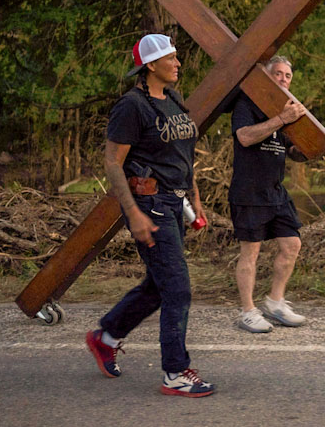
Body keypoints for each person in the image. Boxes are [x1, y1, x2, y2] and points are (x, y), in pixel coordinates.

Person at [85, 33, 215, 397]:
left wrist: (194, 195)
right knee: (178, 289)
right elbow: (113, 163)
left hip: (175, 202)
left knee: (159, 286)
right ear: (151, 65)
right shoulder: (132, 106)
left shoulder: (172, 98)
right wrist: (133, 213)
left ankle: (106, 337)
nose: (177, 63)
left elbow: (182, 153)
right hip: (149, 206)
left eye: (176, 57)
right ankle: (175, 372)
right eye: (171, 58)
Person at [230, 55, 309, 333]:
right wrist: (281, 119)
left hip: (276, 192)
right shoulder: (247, 104)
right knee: (250, 252)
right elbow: (244, 137)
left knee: (292, 245)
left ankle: (275, 303)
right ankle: (248, 312)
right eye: (278, 74)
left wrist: (306, 151)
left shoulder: (285, 110)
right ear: (267, 75)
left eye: (288, 76)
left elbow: (290, 150)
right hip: (249, 191)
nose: (283, 79)